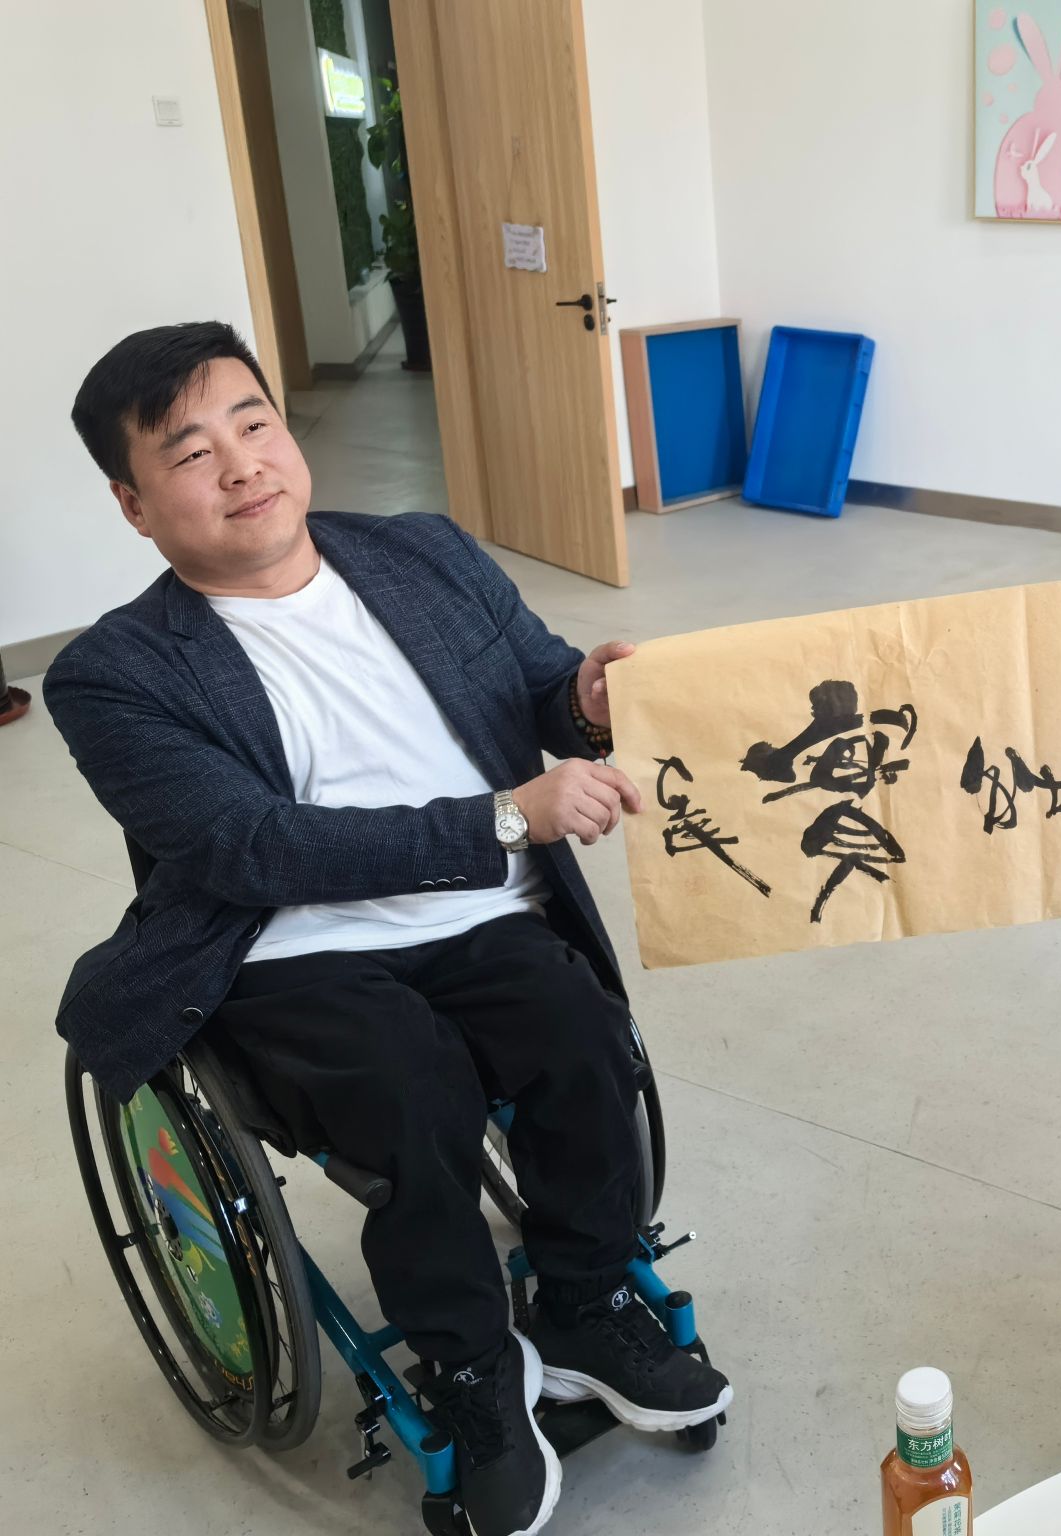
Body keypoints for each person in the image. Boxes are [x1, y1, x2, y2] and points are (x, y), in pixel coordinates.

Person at [48, 323, 729, 1536]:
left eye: (255, 423)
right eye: (191, 453)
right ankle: (472, 1365)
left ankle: (582, 1300)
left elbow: (536, 682)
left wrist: (584, 700)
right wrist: (502, 820)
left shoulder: (422, 552)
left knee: (581, 1035)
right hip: (283, 948)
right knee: (410, 1092)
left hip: (477, 911)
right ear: (134, 505)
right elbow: (249, 848)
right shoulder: (113, 674)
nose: (243, 464)